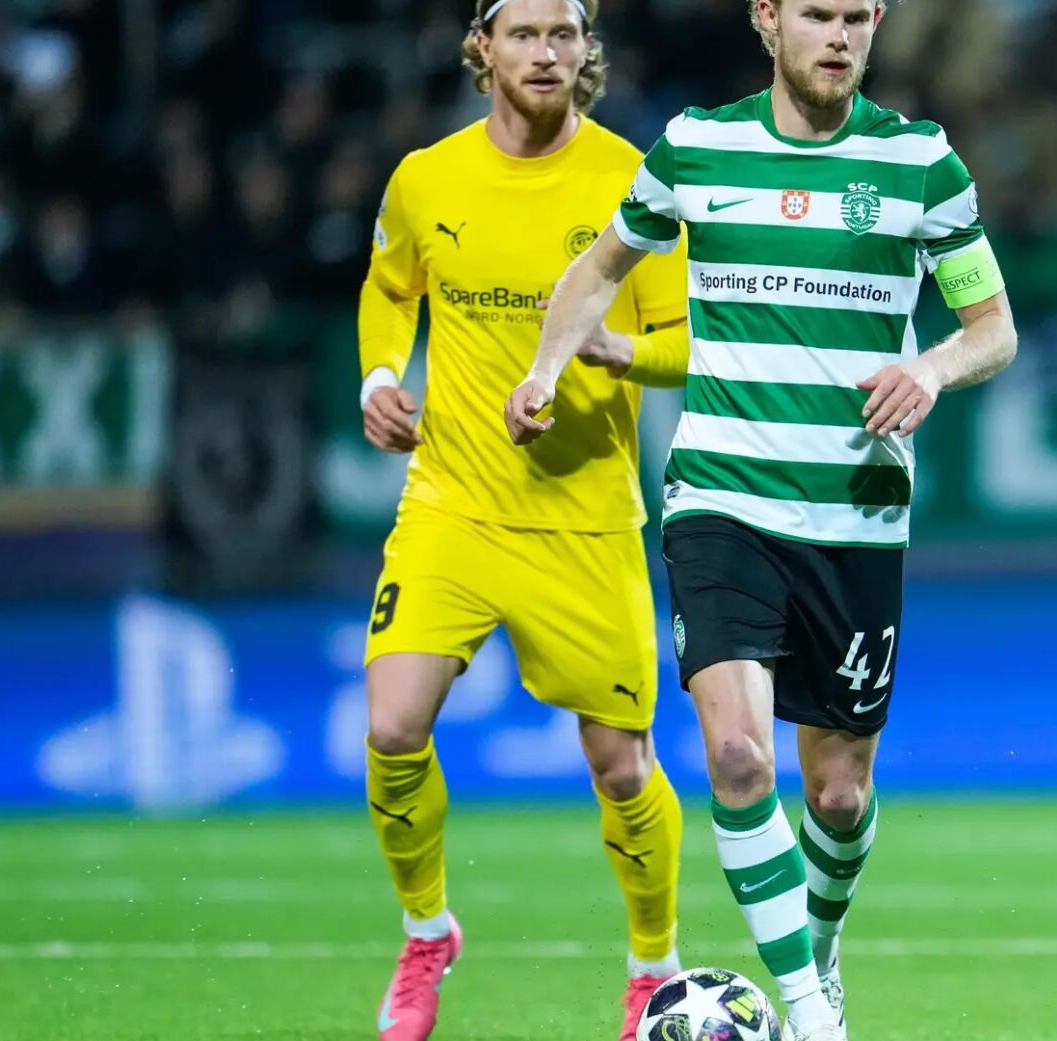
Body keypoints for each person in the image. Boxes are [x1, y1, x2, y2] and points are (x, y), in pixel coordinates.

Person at [505, 2, 1018, 1037]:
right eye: (817, 15)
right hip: (718, 500)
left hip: (855, 514)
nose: (839, 35)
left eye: (858, 17)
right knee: (738, 760)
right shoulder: (697, 146)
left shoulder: (920, 163)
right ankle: (806, 1015)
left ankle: (815, 948)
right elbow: (598, 267)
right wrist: (546, 367)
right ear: (767, 20)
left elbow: (991, 328)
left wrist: (929, 365)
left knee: (835, 794)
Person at [356, 2, 691, 1039]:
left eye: (564, 33)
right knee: (391, 724)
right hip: (451, 502)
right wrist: (378, 373)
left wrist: (614, 354)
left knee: (622, 767)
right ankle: (425, 935)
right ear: (482, 49)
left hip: (583, 516)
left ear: (588, 50)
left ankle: (652, 967)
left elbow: (688, 341)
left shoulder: (633, 181)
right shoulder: (426, 177)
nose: (544, 53)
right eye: (523, 33)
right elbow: (387, 286)